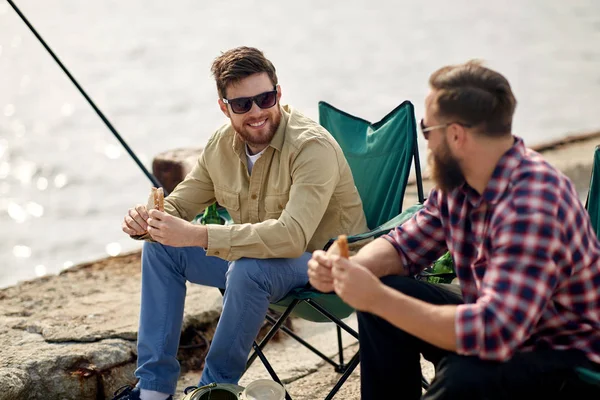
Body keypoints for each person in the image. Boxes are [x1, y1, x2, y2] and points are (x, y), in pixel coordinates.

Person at [308, 60, 600, 399]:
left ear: (456, 135)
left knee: (464, 374)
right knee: (385, 293)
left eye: (426, 131)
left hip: (566, 363)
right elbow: (403, 246)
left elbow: (493, 333)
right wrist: (348, 272)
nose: (428, 144)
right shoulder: (461, 183)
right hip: (498, 336)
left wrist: (376, 297)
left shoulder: (532, 202)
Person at [115, 46, 368, 400]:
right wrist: (148, 219)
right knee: (161, 249)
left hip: (325, 268)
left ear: (278, 94)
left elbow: (292, 237)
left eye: (265, 98)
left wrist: (199, 234)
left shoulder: (312, 147)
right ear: (224, 106)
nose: (257, 112)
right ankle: (153, 391)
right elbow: (181, 203)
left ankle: (215, 389)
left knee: (249, 270)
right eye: (242, 104)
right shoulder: (221, 145)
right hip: (259, 265)